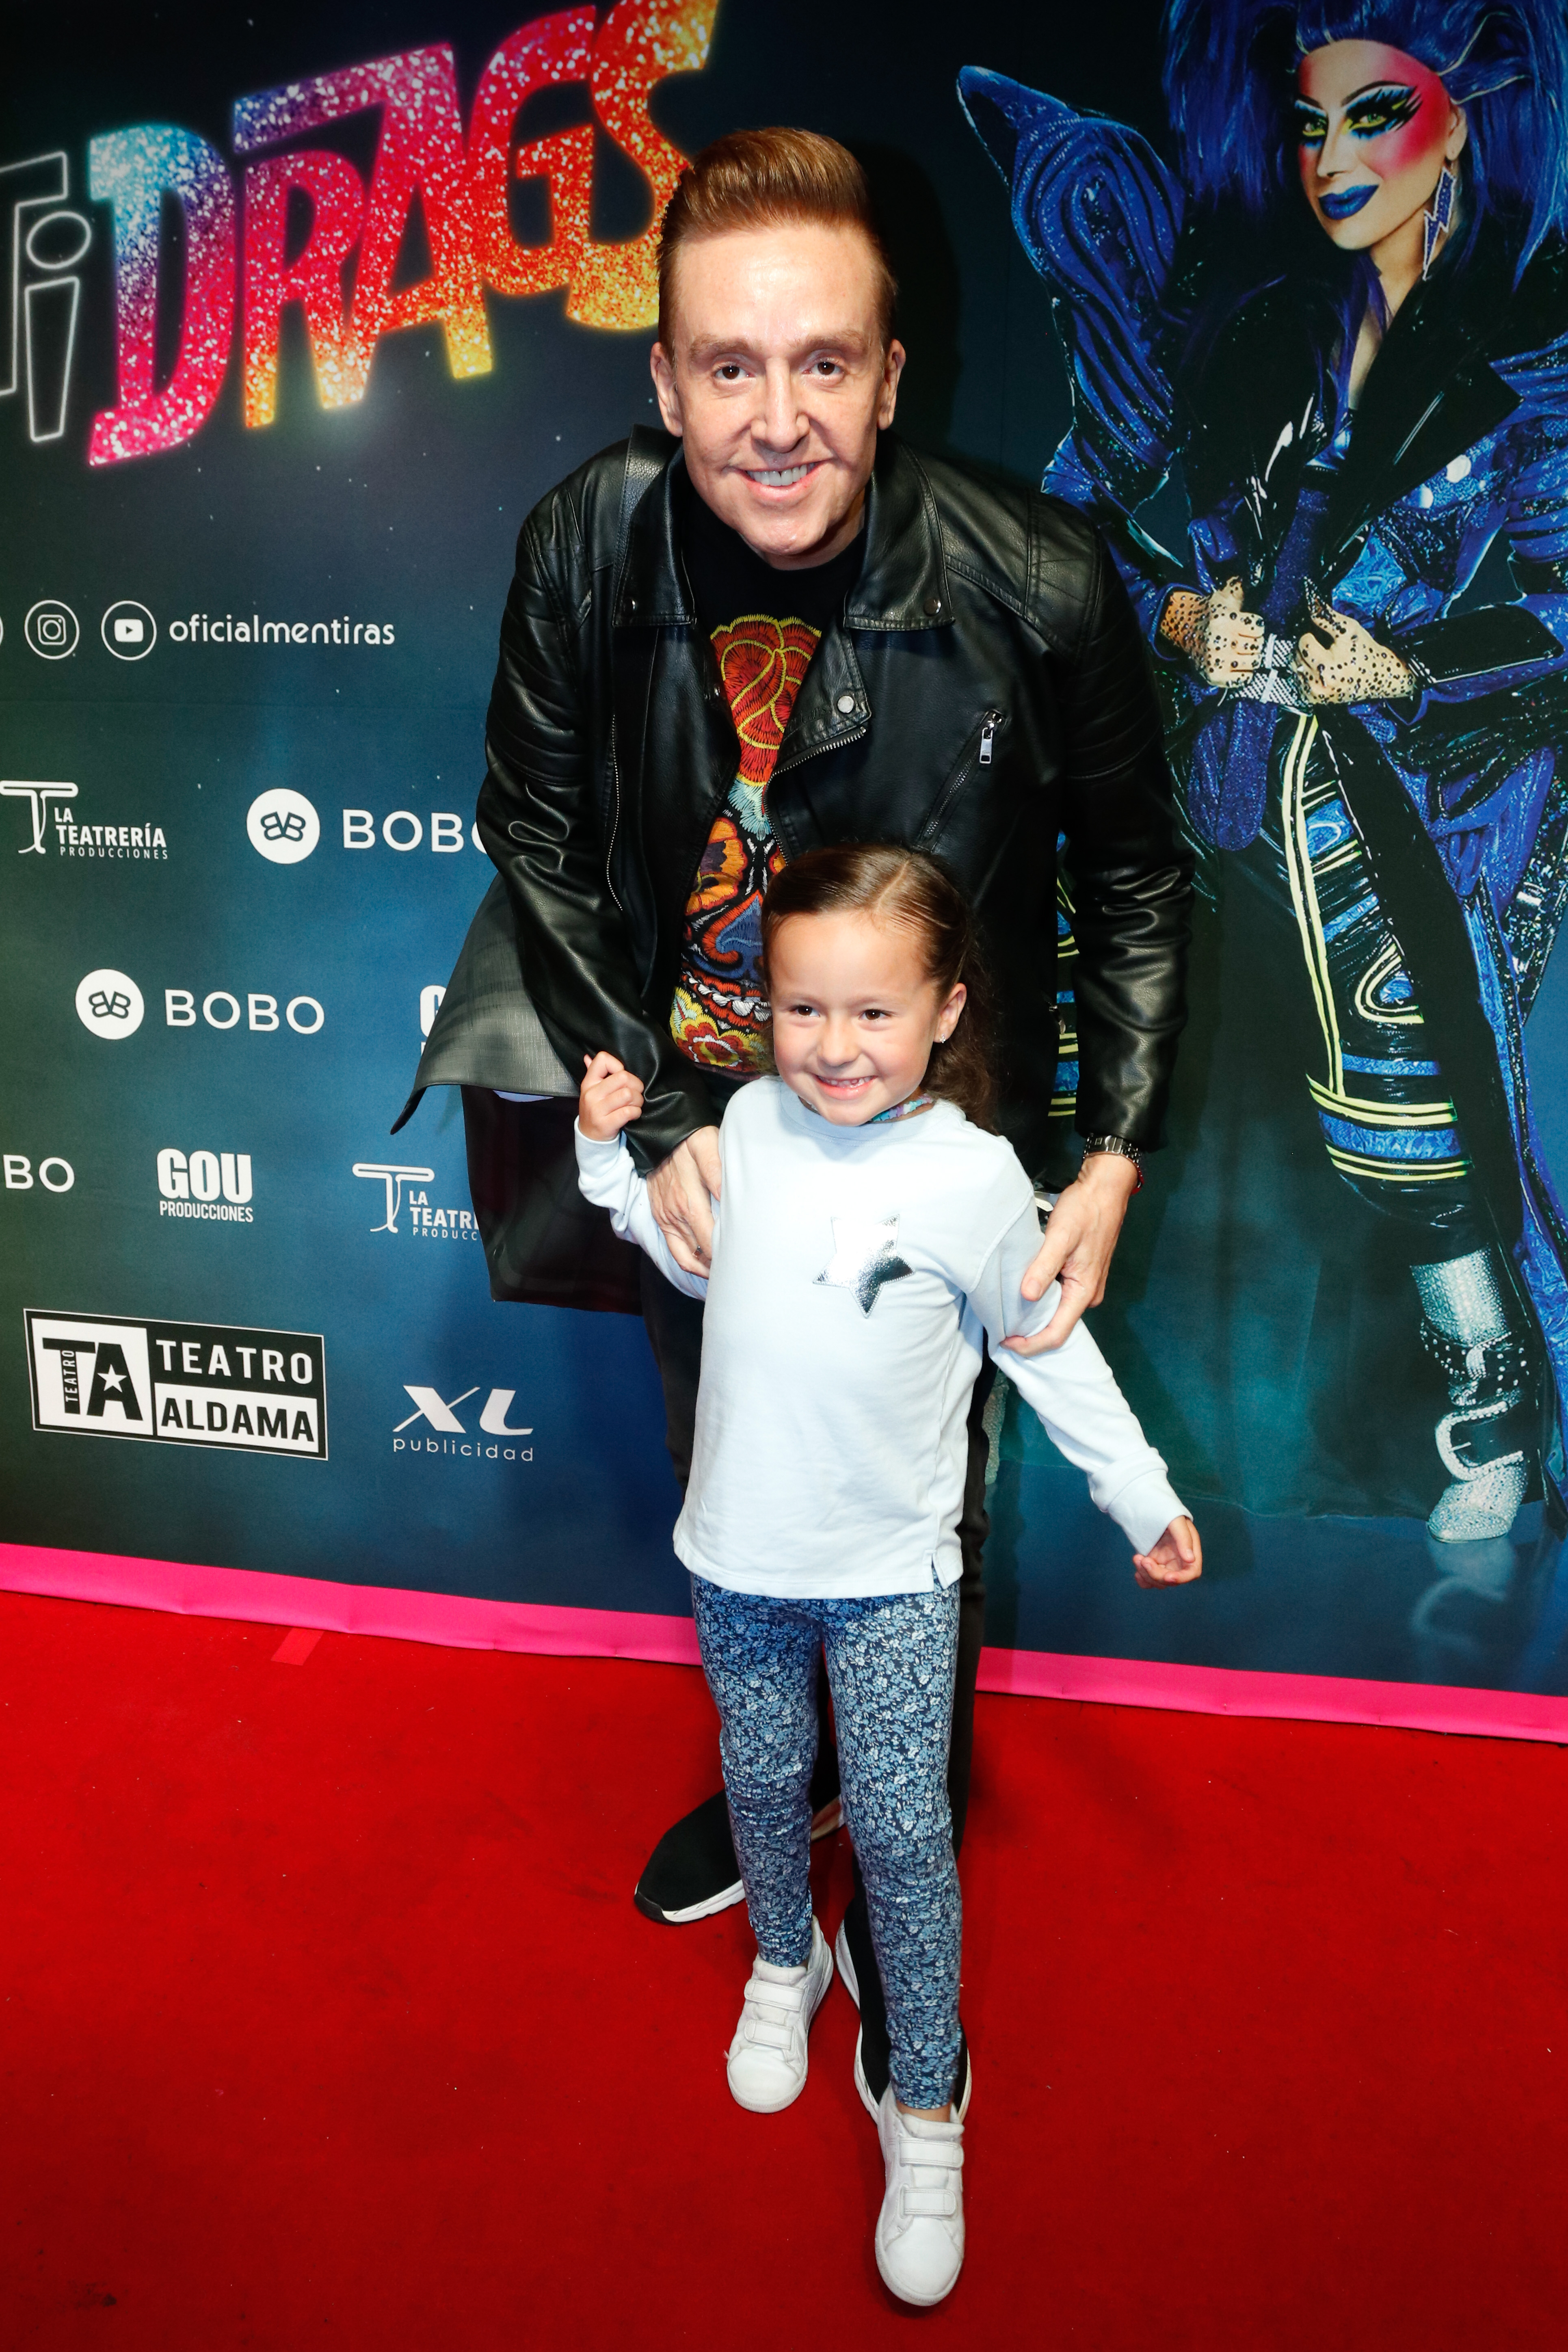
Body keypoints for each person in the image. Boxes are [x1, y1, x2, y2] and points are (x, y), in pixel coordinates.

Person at [421, 124, 1193, 2103]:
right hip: (697, 1126)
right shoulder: (588, 539)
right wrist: (663, 1095)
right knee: (742, 1467)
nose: (780, 421)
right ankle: (797, 1816)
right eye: (732, 368)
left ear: (892, 373)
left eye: (824, 364)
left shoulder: (1033, 577)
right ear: (664, 376)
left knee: (920, 1498)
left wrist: (1110, 1149)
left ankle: (888, 1809)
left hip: (931, 1128)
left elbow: (1134, 874)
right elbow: (531, 821)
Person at [960, 0, 1568, 1553]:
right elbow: (1079, 523)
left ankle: (1499, 1417)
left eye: (1376, 116)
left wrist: (1422, 660)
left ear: (1470, 121)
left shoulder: (1538, 351)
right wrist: (1182, 616)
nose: (1335, 158)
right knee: (1191, 1124)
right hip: (1230, 801)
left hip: (1451, 818)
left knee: (1448, 1144)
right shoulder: (1260, 332)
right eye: (1312, 125)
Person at [574, 844, 1201, 2309]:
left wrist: (1138, 1492)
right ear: (765, 1011)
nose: (833, 1047)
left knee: (910, 1836)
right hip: (738, 1557)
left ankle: (926, 2107)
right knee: (763, 1775)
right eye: (802, 1011)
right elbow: (695, 1268)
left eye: (870, 1014)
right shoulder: (742, 1122)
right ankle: (781, 1966)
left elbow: (1051, 1346)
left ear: (944, 1013)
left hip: (897, 1578)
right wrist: (614, 1160)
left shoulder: (977, 1178)